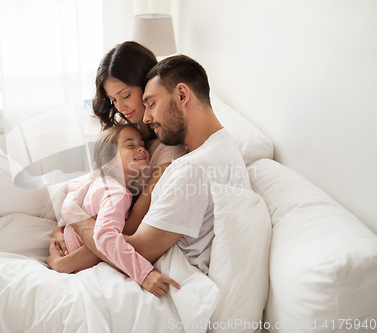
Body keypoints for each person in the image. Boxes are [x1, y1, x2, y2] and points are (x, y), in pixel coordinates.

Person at [60, 55, 251, 277]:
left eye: (151, 104)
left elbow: (136, 250)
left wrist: (74, 218)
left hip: (171, 278)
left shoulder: (192, 169)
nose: (147, 117)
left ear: (182, 95)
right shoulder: (222, 145)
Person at [47, 42, 186, 275]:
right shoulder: (125, 126)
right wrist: (59, 227)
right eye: (113, 100)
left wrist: (66, 261)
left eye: (125, 95)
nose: (120, 107)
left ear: (148, 84)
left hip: (100, 227)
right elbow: (96, 177)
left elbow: (127, 229)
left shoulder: (167, 150)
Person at [47, 123, 180, 297]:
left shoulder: (97, 184)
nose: (141, 148)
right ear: (109, 162)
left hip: (70, 255)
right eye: (130, 145)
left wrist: (59, 229)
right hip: (83, 265)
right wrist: (145, 274)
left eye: (142, 144)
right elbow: (106, 236)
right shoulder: (117, 193)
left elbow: (71, 190)